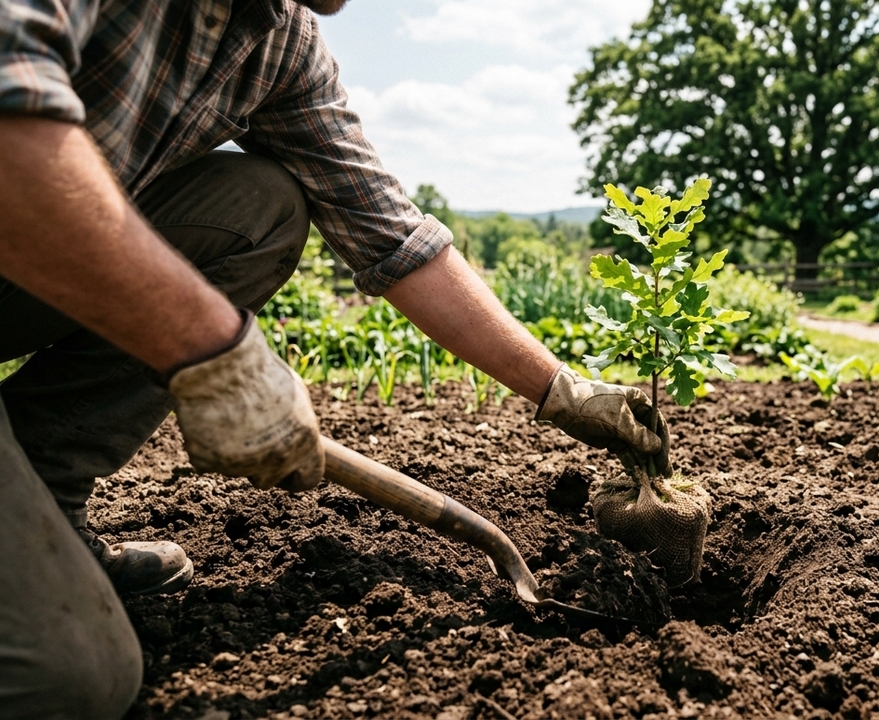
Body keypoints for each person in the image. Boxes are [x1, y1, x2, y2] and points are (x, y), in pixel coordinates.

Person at [0, 1, 665, 717]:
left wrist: (564, 391)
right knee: (68, 679)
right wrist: (209, 349)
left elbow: (391, 236)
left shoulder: (277, 37)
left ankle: (41, 498)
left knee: (261, 205)